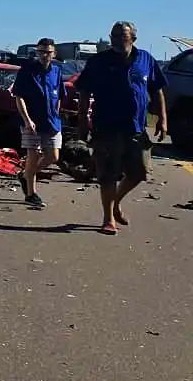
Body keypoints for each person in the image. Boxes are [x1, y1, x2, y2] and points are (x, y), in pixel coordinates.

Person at [73, 21, 168, 235]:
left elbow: (157, 90)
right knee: (107, 174)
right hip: (105, 126)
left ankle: (115, 202)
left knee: (140, 172)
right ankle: (108, 219)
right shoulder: (99, 62)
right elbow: (84, 91)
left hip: (135, 127)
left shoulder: (146, 60)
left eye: (121, 37)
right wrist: (81, 121)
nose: (116, 41)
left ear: (133, 39)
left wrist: (163, 118)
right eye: (113, 36)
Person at [13, 38, 64, 209]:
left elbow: (59, 96)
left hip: (51, 122)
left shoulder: (57, 71)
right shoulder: (27, 71)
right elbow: (18, 97)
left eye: (48, 52)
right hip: (32, 122)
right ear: (37, 53)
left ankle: (25, 175)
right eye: (41, 51)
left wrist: (56, 113)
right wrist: (27, 120)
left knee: (53, 156)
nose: (44, 55)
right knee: (33, 156)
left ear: (54, 54)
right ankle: (31, 194)